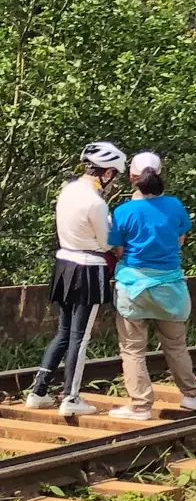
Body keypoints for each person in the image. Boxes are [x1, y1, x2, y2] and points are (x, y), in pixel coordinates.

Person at [24, 141, 127, 418]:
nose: (113, 181)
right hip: (88, 268)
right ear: (106, 173)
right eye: (113, 175)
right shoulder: (96, 202)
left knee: (63, 332)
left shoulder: (68, 190)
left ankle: (39, 391)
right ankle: (71, 396)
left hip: (64, 264)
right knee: (80, 338)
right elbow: (107, 243)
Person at [105, 151, 196, 420]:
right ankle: (192, 396)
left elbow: (117, 249)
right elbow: (180, 241)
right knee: (176, 344)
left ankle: (140, 405)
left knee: (132, 348)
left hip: (133, 286)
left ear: (132, 177)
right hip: (170, 287)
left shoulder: (124, 211)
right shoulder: (175, 206)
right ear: (159, 174)